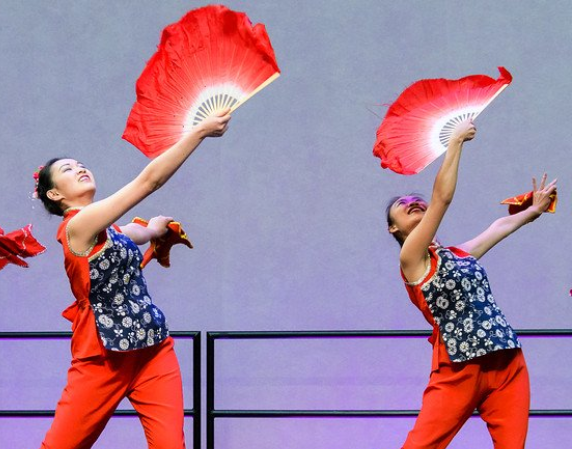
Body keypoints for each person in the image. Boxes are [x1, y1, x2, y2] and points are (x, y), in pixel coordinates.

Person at [35, 110, 231, 449]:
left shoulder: (108, 229)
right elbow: (148, 182)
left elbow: (134, 232)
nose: (80, 168)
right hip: (103, 360)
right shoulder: (77, 227)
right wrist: (198, 132)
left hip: (153, 350)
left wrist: (156, 228)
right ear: (55, 195)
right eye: (68, 169)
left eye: (81, 164)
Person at [386, 119, 557, 449]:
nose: (410, 202)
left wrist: (531, 211)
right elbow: (441, 199)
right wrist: (456, 143)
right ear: (394, 229)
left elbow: (497, 228)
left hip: (507, 362)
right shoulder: (412, 259)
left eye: (414, 199)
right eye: (402, 207)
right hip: (458, 370)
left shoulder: (457, 255)